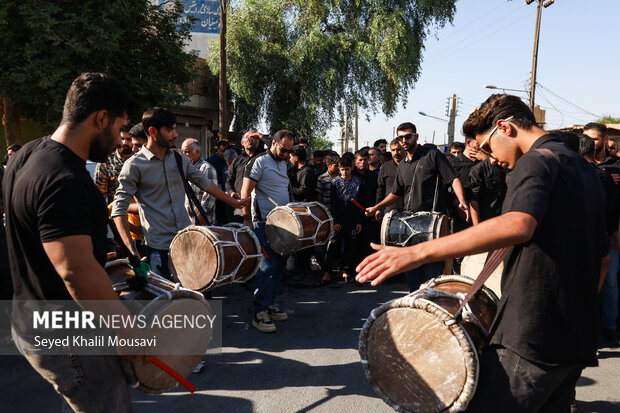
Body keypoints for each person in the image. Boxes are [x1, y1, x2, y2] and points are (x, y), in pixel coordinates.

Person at [357, 94, 608, 412]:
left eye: (488, 147)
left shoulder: (537, 160)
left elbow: (518, 224)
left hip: (534, 336)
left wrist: (415, 253)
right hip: (576, 338)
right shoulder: (584, 170)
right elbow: (603, 261)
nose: (491, 159)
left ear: (504, 127)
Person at [4, 72, 145, 412]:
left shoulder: (27, 155)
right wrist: (126, 332)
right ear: (100, 118)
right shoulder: (63, 180)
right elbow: (74, 271)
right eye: (120, 127)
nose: (121, 139)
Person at [111, 107, 247, 279]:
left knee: (193, 299)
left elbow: (205, 183)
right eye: (170, 130)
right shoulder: (134, 166)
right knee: (167, 302)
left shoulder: (178, 158)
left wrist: (233, 202)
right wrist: (132, 252)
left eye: (175, 128)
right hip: (158, 250)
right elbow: (118, 210)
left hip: (187, 241)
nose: (175, 134)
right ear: (152, 131)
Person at [365, 122, 469, 292]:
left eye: (408, 136)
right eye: (401, 137)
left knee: (431, 280)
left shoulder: (432, 155)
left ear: (416, 136)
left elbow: (453, 178)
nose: (404, 140)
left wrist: (462, 201)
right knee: (413, 282)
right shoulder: (402, 165)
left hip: (433, 225)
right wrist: (377, 206)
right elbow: (396, 193)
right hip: (409, 227)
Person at [241, 129, 295, 333]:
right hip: (262, 223)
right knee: (266, 266)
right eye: (283, 150)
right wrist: (247, 221)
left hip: (282, 224)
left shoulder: (283, 164)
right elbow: (245, 193)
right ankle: (259, 312)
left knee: (279, 265)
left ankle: (269, 302)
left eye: (289, 151)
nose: (286, 154)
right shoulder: (258, 162)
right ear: (273, 143)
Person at [583, 123, 620, 344]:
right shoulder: (578, 164)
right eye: (587, 139)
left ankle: (610, 326)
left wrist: (618, 230)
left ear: (605, 140)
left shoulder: (617, 165)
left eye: (595, 139)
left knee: (610, 283)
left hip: (610, 234)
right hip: (586, 233)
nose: (590, 143)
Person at [322, 156, 363, 284]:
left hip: (352, 219)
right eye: (342, 169)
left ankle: (344, 270)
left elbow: (360, 203)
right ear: (339, 169)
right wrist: (335, 220)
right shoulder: (335, 182)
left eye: (347, 169)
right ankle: (326, 272)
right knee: (332, 246)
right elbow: (333, 203)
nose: (345, 172)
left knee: (349, 247)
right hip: (338, 219)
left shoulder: (358, 182)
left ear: (352, 168)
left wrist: (359, 221)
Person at [226, 131, 264, 222]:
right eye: (247, 137)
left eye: (254, 138)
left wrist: (259, 135)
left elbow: (275, 147)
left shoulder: (264, 157)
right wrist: (231, 192)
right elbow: (229, 180)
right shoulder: (237, 160)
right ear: (242, 143)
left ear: (258, 142)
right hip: (240, 203)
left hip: (260, 205)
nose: (251, 139)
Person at [315, 152, 340, 285]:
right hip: (325, 216)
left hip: (338, 215)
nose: (338, 167)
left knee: (333, 244)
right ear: (328, 165)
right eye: (336, 165)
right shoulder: (322, 179)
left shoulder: (342, 177)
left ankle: (328, 272)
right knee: (321, 245)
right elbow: (319, 199)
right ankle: (324, 268)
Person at [94, 120, 134, 204]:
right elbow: (99, 195)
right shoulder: (106, 162)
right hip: (116, 212)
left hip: (139, 213)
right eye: (122, 139)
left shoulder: (141, 159)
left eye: (128, 139)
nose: (124, 143)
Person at [181, 138, 218, 225]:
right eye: (182, 152)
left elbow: (210, 197)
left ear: (197, 152)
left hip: (202, 224)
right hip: (188, 222)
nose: (184, 155)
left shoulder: (206, 168)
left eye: (187, 152)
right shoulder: (185, 168)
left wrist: (199, 219)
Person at [375, 138, 405, 217]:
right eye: (393, 150)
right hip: (390, 211)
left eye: (398, 149)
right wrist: (378, 209)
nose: (396, 153)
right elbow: (380, 189)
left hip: (408, 210)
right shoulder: (385, 167)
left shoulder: (411, 165)